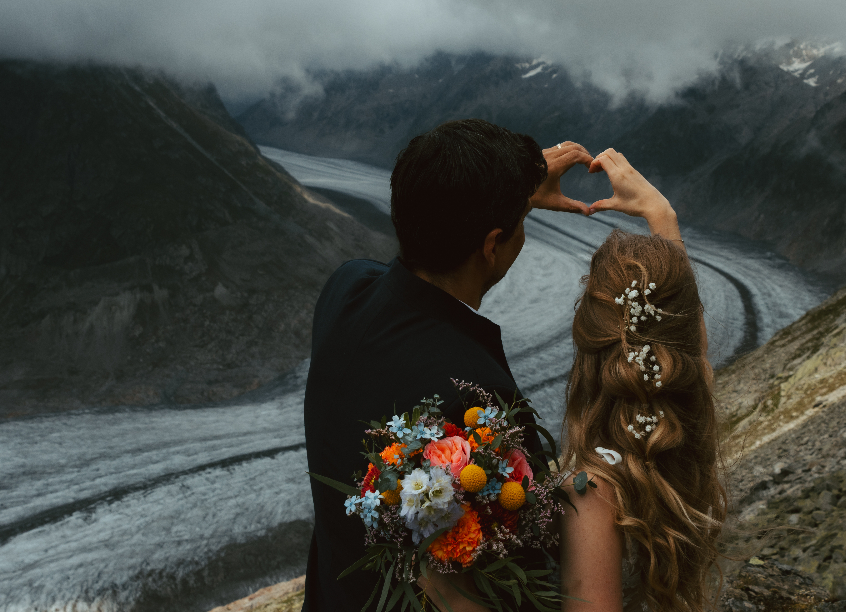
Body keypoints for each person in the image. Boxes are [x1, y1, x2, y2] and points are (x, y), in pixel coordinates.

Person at [302, 119, 592, 611]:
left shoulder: (344, 291)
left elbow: (435, 205)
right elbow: (526, 573)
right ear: (491, 244)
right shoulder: (476, 396)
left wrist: (509, 185)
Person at [559, 148, 726, 612]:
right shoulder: (680, 435)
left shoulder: (593, 491)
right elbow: (692, 353)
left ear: (586, 335)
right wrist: (661, 216)